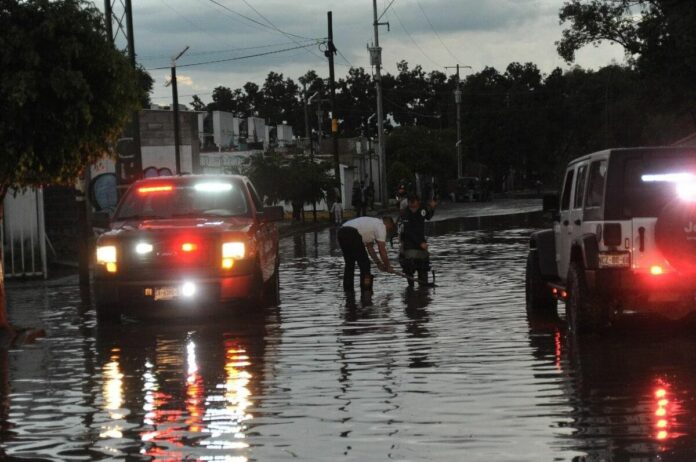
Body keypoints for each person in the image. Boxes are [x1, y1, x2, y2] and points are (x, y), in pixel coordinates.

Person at [337, 216, 396, 292]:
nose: (388, 231)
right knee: (365, 264)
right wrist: (388, 266)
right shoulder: (381, 225)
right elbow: (382, 250)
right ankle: (366, 290)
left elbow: (370, 248)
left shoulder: (371, 225)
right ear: (389, 223)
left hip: (341, 232)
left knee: (349, 264)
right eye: (390, 228)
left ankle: (348, 291)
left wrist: (378, 263)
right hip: (352, 233)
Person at [399, 194, 436, 287]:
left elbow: (428, 216)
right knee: (409, 268)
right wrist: (420, 243)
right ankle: (411, 289)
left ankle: (422, 292)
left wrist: (432, 208)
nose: (412, 206)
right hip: (409, 243)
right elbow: (408, 231)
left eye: (414, 203)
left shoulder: (422, 209)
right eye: (410, 203)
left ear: (418, 202)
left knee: (423, 268)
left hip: (421, 243)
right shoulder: (405, 213)